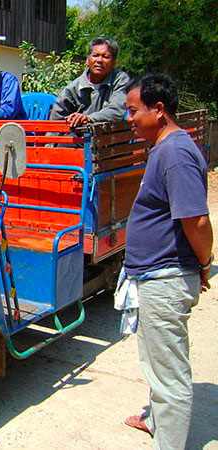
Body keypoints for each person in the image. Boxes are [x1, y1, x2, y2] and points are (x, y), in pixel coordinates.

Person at [117, 73, 213, 449]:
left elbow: (197, 221)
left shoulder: (175, 153)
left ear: (158, 110)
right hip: (155, 275)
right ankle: (156, 419)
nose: (128, 119)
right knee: (156, 362)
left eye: (133, 111)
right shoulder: (164, 147)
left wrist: (203, 262)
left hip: (165, 279)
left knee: (169, 373)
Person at [50, 36, 130, 127]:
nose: (99, 60)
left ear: (114, 62)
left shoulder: (120, 80)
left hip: (110, 138)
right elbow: (56, 122)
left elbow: (117, 110)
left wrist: (88, 118)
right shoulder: (73, 88)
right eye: (95, 56)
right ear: (87, 60)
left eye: (105, 56)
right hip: (79, 138)